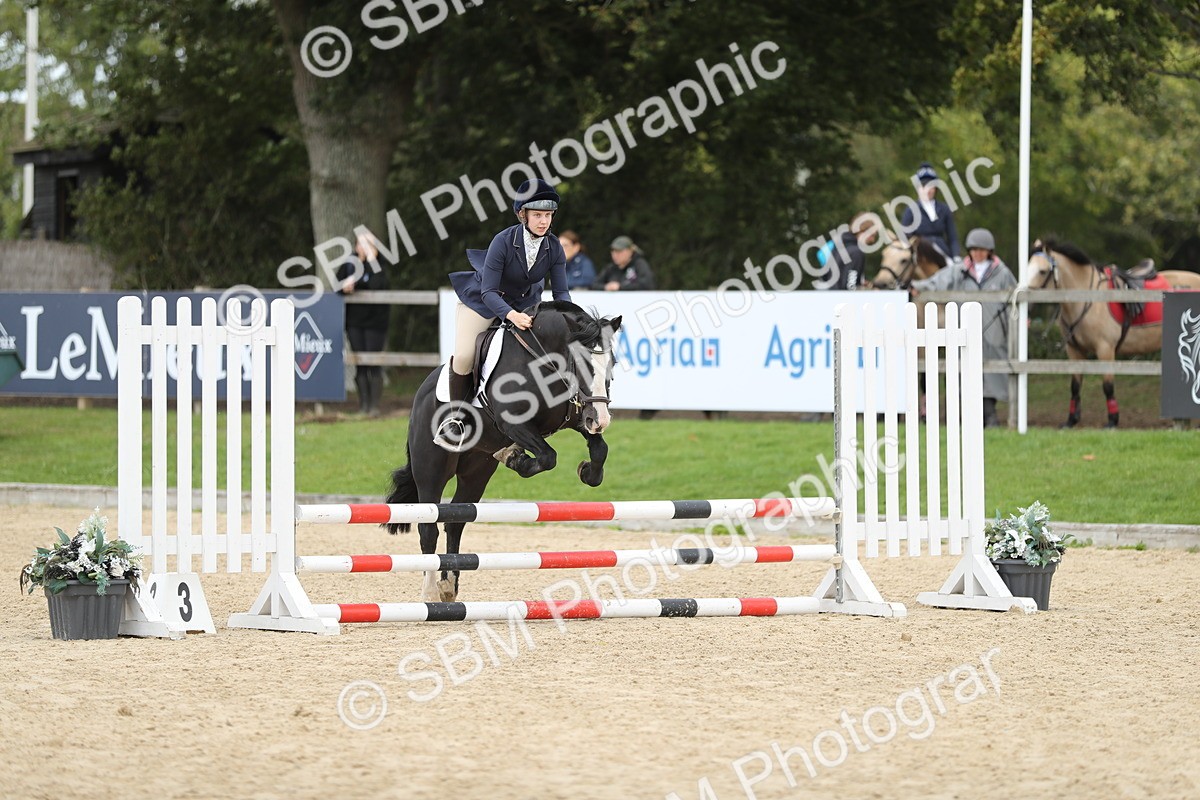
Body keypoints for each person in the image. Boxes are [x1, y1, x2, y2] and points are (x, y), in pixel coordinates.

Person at [438, 178, 571, 449]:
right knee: (464, 355)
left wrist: (570, 320)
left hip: (525, 304)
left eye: (547, 215)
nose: (544, 221)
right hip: (484, 301)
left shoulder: (554, 247)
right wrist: (511, 315)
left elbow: (561, 294)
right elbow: (489, 291)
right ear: (523, 215)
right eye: (537, 215)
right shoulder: (503, 241)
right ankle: (455, 419)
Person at [910, 227, 1016, 427]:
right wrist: (918, 286)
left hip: (993, 330)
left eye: (982, 249)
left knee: (992, 371)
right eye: (974, 249)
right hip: (964, 328)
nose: (978, 253)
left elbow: (1016, 294)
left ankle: (990, 414)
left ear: (989, 250)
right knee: (963, 370)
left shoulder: (1002, 272)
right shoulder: (959, 270)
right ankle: (965, 416)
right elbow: (937, 282)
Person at [336, 232, 390, 416]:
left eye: (369, 244)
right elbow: (337, 285)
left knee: (374, 363)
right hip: (354, 321)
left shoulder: (379, 264)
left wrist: (370, 262)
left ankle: (374, 407)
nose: (364, 248)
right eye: (361, 244)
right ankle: (363, 406)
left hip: (375, 322)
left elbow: (377, 285)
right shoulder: (349, 263)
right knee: (360, 363)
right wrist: (345, 287)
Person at [900, 162, 961, 265]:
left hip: (941, 252)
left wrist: (956, 256)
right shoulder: (910, 210)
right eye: (924, 186)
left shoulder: (944, 209)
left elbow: (952, 237)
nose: (928, 190)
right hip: (920, 253)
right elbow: (904, 237)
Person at [818, 212, 876, 290]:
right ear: (863, 231)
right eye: (872, 235)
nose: (873, 240)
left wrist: (861, 282)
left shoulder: (838, 246)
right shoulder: (856, 253)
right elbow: (850, 286)